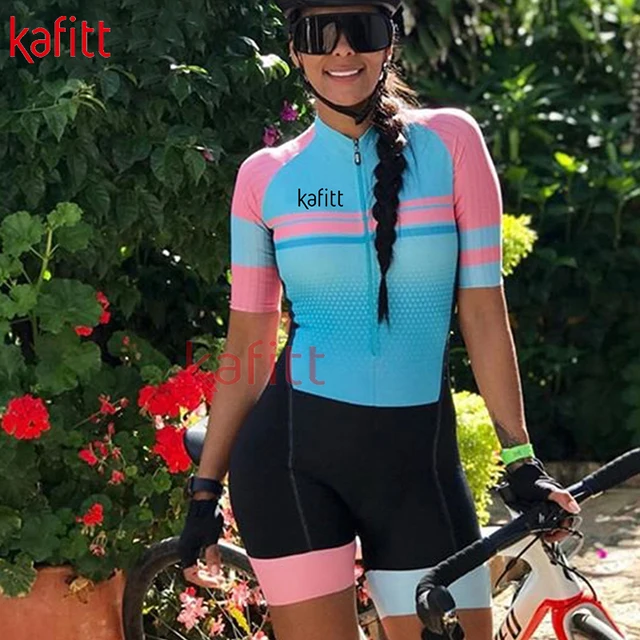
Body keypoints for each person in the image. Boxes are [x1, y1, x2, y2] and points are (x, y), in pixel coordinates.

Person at [178, 2, 581, 639]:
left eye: (361, 30)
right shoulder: (265, 177)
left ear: (389, 41)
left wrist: (521, 455)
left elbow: (483, 309)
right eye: (321, 34)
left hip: (417, 465)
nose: (342, 51)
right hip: (289, 466)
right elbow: (248, 346)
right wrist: (205, 489)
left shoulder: (451, 143)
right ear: (296, 50)